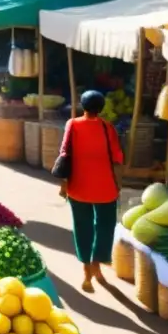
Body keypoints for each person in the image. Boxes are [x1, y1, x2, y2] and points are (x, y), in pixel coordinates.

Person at [58, 90, 124, 293]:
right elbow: (118, 158)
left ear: (82, 106)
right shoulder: (108, 127)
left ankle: (86, 268)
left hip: (78, 186)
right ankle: (97, 262)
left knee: (82, 226)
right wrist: (118, 184)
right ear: (101, 108)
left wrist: (63, 185)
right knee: (105, 225)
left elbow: (64, 154)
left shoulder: (73, 124)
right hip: (105, 188)